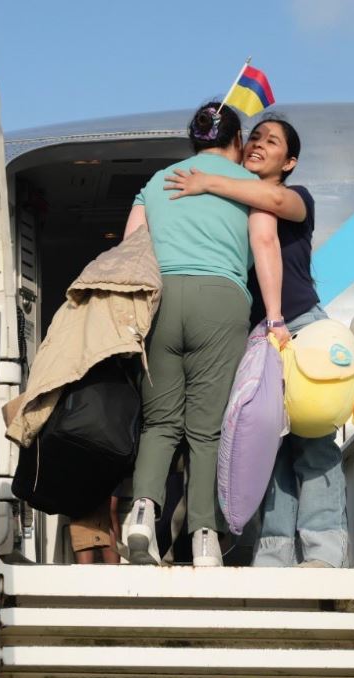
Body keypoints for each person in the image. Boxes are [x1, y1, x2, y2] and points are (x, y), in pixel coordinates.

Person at [165, 116, 348, 567]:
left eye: (273, 141)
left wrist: (207, 180)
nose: (258, 144)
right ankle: (274, 553)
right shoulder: (231, 205)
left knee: (313, 441)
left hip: (298, 326)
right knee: (268, 450)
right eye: (255, 137)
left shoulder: (295, 198)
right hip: (254, 336)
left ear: (290, 162)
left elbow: (274, 199)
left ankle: (324, 550)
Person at [122, 101, 289, 568]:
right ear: (236, 141)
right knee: (208, 428)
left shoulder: (157, 182)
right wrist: (274, 317)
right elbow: (264, 242)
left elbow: (131, 247)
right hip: (221, 299)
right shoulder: (249, 185)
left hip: (160, 299)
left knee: (159, 423)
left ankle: (141, 514)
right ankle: (204, 539)